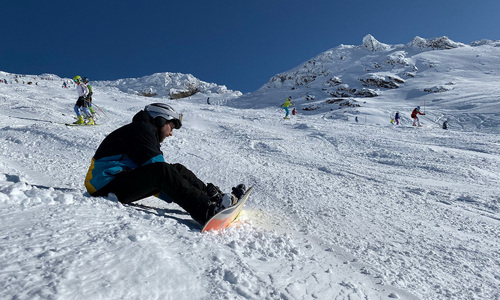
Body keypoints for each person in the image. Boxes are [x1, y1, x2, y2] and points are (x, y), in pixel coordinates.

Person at [84, 103, 245, 225]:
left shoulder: (144, 130)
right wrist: (175, 190)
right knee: (163, 170)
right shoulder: (142, 130)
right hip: (103, 185)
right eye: (171, 126)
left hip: (115, 181)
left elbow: (154, 177)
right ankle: (208, 211)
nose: (171, 133)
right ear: (160, 120)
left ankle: (215, 198)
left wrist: (173, 189)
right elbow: (158, 171)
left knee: (176, 169)